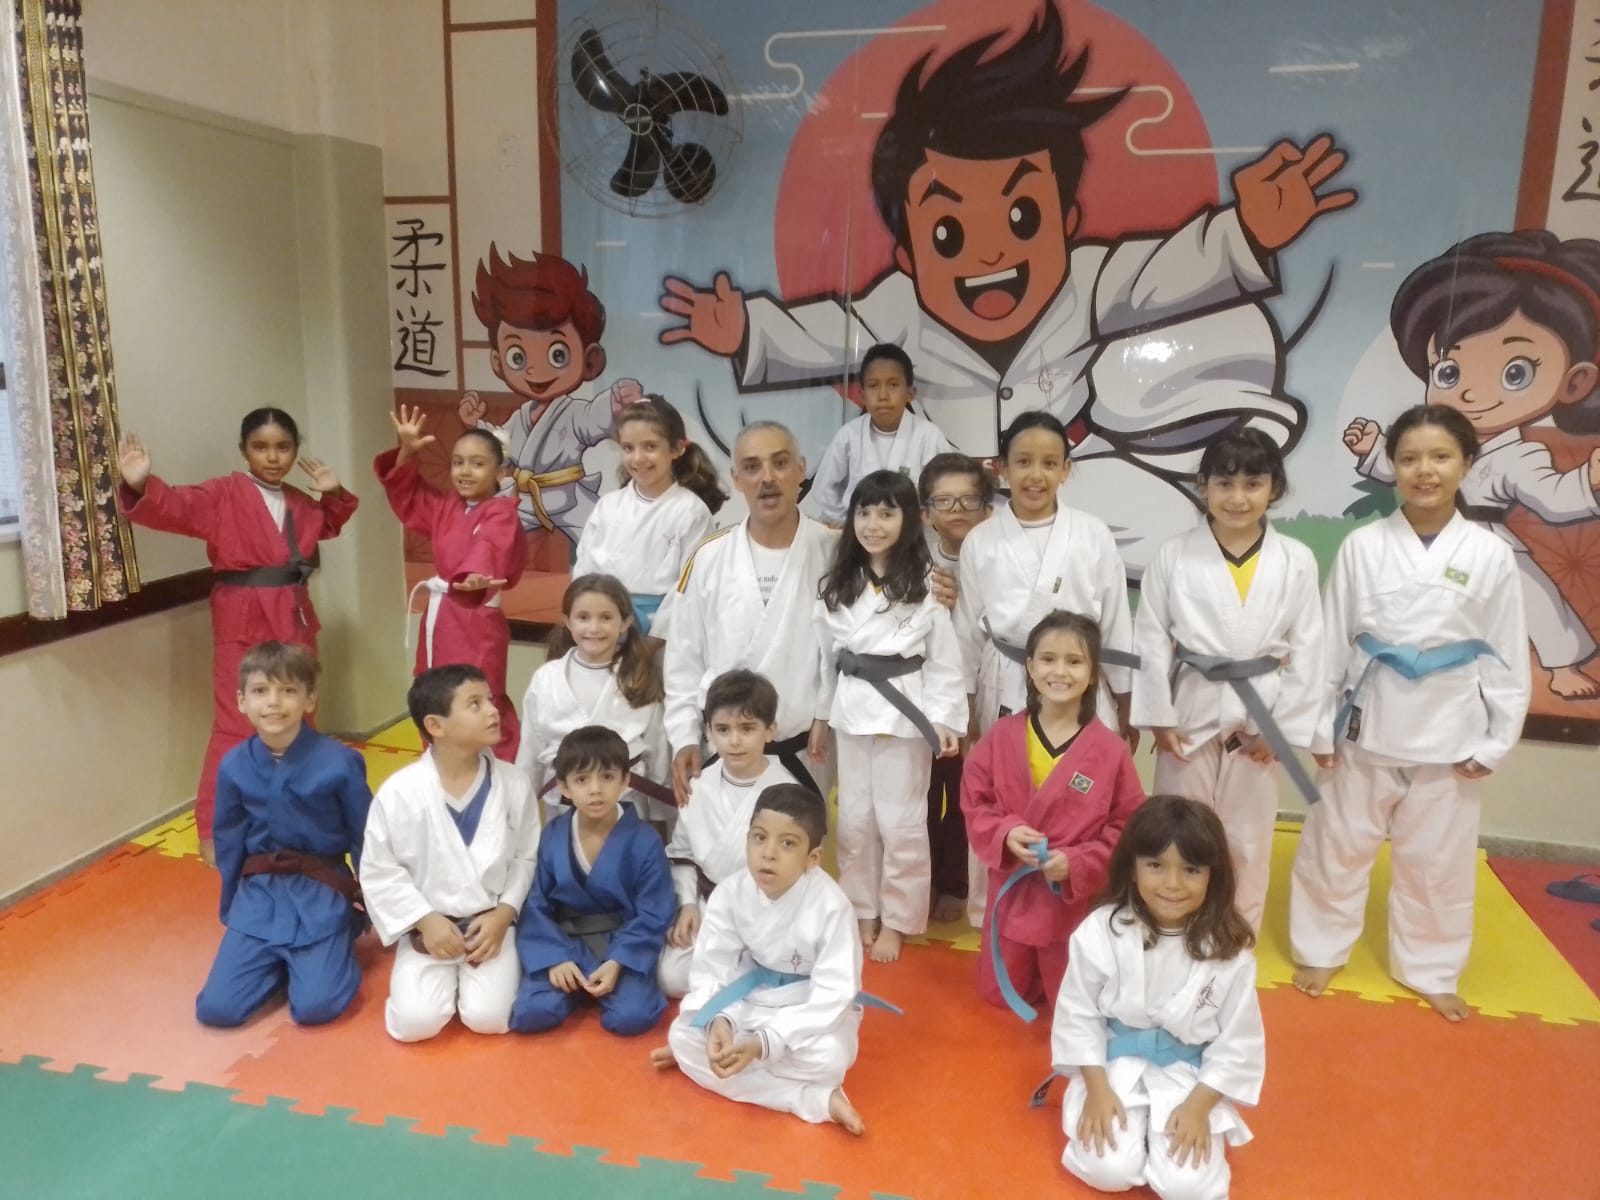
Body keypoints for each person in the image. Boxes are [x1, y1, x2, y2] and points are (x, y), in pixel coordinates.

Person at [658, 3, 1353, 574]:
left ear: (1068, 224)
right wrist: (746, 332)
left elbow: (1167, 271)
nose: (990, 251)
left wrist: (1244, 232)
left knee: (1155, 530)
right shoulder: (896, 308)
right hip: (952, 497)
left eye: (1022, 218)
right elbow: (823, 335)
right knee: (924, 556)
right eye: (948, 232)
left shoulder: (1090, 279)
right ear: (906, 255)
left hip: (1065, 473)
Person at [1291, 405, 1530, 1022]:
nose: (1425, 470)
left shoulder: (1490, 553)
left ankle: (1431, 968)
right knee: (1336, 846)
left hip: (1451, 728)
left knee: (1438, 863)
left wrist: (1498, 738)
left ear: (1466, 464)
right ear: (1392, 467)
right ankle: (1320, 948)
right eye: (1409, 458)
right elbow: (1332, 638)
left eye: (1441, 456)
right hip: (1366, 721)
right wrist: (1319, 726)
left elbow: (1504, 651)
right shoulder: (1362, 546)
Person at [1344, 231, 1600, 700]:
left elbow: (1553, 496)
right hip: (1425, 538)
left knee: (1534, 597)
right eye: (1449, 371)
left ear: (1574, 382)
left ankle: (1561, 665)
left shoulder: (1518, 455)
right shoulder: (1419, 452)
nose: (1469, 392)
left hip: (1491, 540)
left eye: (1515, 373)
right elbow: (1403, 471)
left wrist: (1588, 479)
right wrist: (1372, 450)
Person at [117, 409, 357, 865]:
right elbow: (175, 507)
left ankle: (299, 816)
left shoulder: (298, 501)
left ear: (295, 451)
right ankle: (215, 829)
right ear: (244, 450)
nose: (273, 457)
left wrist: (332, 491)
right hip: (241, 616)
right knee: (235, 722)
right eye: (261, 447)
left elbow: (329, 522)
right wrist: (141, 483)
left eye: (283, 447)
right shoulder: (223, 494)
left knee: (299, 714)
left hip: (293, 614)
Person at [1132, 428, 1324, 933]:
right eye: (1224, 483)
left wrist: (1282, 730)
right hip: (1188, 708)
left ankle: (1236, 932)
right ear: (1203, 486)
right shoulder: (1174, 554)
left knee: (1248, 836)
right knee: (1178, 828)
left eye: (1253, 484)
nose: (1238, 498)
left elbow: (1310, 648)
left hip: (1261, 712)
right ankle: (1172, 925)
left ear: (1274, 489)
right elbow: (1151, 638)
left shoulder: (1296, 560)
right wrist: (1157, 716)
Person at [1052, 796, 1264, 1200]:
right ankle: (1134, 1134)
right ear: (1132, 868)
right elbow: (1078, 1015)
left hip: (1189, 1076)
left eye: (1191, 870)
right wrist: (1097, 1091)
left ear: (1213, 876)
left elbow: (1238, 1044)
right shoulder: (1102, 930)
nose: (1172, 884)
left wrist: (1199, 1108)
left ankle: (1163, 1136)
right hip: (1113, 1065)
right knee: (1108, 1170)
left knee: (1188, 1189)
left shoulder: (1229, 951)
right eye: (1155, 865)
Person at [650, 783, 867, 1135]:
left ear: (813, 858)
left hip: (804, 1005)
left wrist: (767, 1041)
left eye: (787, 844)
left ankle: (800, 1093)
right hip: (747, 999)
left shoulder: (832, 907)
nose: (768, 854)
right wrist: (719, 1022)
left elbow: (834, 992)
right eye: (759, 838)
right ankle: (809, 1098)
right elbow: (713, 968)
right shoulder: (730, 893)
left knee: (830, 1059)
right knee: (682, 1038)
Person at [814, 470, 965, 963]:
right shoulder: (838, 583)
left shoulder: (926, 585)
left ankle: (899, 919)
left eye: (886, 513)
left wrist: (945, 719)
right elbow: (825, 660)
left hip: (905, 714)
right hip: (851, 709)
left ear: (909, 521)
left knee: (901, 823)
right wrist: (820, 716)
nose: (873, 524)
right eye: (864, 512)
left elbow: (943, 661)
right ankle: (862, 908)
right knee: (854, 819)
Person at [963, 611, 1145, 1015]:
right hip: (1012, 890)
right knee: (999, 996)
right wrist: (1006, 832)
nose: (1059, 671)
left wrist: (1078, 863)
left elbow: (1127, 827)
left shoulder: (1111, 750)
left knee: (1075, 1001)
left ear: (1093, 673)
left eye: (1074, 661)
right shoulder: (1002, 735)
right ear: (1029, 667)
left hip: (1072, 901)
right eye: (1048, 659)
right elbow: (975, 801)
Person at [360, 665, 539, 1043]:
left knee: (489, 1018)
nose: (493, 710)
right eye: (475, 704)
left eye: (490, 700)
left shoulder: (513, 783)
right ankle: (422, 966)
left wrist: (504, 914)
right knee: (415, 1024)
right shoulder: (400, 793)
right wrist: (425, 921)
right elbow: (379, 869)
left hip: (490, 927)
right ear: (436, 725)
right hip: (429, 928)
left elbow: (526, 856)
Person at [195, 642, 370, 1028]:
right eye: (260, 691)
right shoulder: (234, 765)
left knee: (316, 1007)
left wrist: (375, 904)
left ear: (310, 700)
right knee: (217, 1009)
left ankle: (338, 937)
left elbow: (366, 837)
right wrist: (233, 908)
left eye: (288, 690)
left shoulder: (340, 762)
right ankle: (279, 963)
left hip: (321, 891)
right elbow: (229, 840)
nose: (273, 703)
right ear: (242, 701)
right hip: (259, 896)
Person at [664, 421, 837, 804]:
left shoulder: (836, 552)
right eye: (752, 467)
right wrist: (684, 737)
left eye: (780, 463)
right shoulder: (709, 557)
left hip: (806, 752)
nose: (768, 478)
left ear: (801, 469)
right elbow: (683, 661)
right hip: (724, 753)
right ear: (736, 478)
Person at [954, 411, 1137, 741]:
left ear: (1065, 469)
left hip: (1077, 679)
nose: (1036, 475)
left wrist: (1127, 702)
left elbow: (1116, 626)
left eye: (1049, 464)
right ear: (1002, 468)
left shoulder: (1093, 534)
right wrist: (963, 707)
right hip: (1005, 682)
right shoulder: (980, 541)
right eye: (1023, 462)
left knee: (1083, 771)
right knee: (1006, 770)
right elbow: (966, 634)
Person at [461, 245, 643, 542]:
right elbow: (500, 444)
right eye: (518, 357)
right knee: (479, 526)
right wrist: (475, 425)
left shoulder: (573, 413)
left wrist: (615, 402)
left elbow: (594, 418)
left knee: (606, 539)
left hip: (568, 499)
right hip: (524, 499)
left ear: (590, 359)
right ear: (498, 361)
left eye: (558, 354)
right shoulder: (521, 416)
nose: (535, 370)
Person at [376, 405, 527, 762]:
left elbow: (490, 544)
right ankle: (439, 767)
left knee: (481, 696)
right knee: (434, 692)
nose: (465, 471)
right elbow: (408, 493)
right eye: (458, 462)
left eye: (477, 463)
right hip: (441, 616)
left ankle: (496, 772)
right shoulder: (445, 506)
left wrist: (474, 576)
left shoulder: (501, 512)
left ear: (500, 471)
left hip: (477, 622)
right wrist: (406, 452)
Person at [510, 726, 676, 1037]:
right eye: (582, 780)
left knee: (632, 1017)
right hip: (565, 941)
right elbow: (534, 903)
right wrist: (555, 958)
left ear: (625, 781)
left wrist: (619, 961)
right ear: (564, 786)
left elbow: (655, 911)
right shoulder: (552, 836)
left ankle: (597, 985)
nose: (595, 790)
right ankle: (573, 984)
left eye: (607, 777)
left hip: (623, 942)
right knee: (533, 1013)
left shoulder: (644, 840)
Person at [659, 670, 798, 999]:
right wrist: (688, 905)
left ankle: (746, 976)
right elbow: (682, 854)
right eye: (723, 729)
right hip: (710, 901)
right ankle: (740, 978)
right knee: (671, 979)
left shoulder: (787, 791)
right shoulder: (698, 786)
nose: (734, 741)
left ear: (770, 730)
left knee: (785, 974)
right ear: (708, 732)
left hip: (768, 907)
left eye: (747, 729)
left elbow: (796, 871)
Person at [517, 574, 671, 828]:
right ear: (567, 621)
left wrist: (661, 819)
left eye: (606, 618)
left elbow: (658, 753)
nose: (594, 628)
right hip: (564, 803)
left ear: (625, 622)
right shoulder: (546, 679)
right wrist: (521, 813)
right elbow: (530, 753)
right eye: (583, 617)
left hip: (628, 803)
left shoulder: (638, 678)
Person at [573, 395, 726, 637]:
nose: (638, 458)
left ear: (677, 448)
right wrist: (591, 621)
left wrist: (653, 640)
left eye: (650, 447)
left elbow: (689, 588)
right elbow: (584, 571)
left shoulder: (691, 511)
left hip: (663, 633)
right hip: (602, 629)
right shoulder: (607, 506)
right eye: (628, 448)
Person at [918, 452, 996, 922]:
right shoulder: (913, 558)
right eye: (944, 501)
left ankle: (957, 881)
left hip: (986, 689)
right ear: (925, 512)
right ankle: (924, 880)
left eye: (969, 499)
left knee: (970, 792)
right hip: (922, 696)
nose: (957, 510)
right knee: (924, 792)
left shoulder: (1001, 555)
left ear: (988, 506)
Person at [806, 343, 954, 526]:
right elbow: (823, 488)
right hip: (859, 532)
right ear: (862, 395)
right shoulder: (849, 435)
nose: (883, 395)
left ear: (910, 393)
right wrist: (850, 521)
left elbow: (949, 489)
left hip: (911, 534)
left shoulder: (929, 436)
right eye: (873, 386)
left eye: (893, 385)